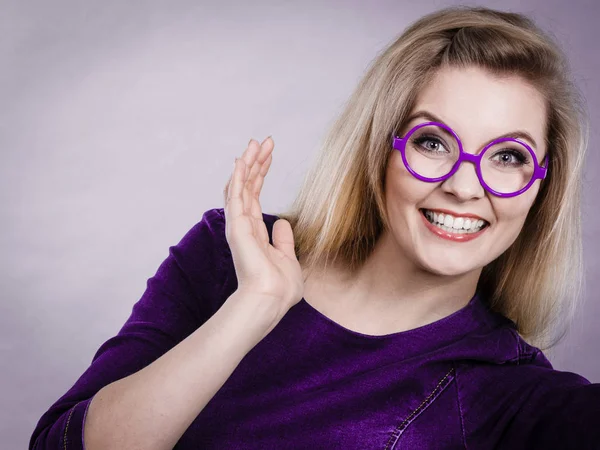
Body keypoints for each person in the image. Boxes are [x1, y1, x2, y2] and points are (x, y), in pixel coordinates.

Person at [29, 5, 599, 450]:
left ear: (542, 186)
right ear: (380, 149)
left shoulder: (512, 389)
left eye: (509, 157)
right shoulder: (228, 253)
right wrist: (255, 305)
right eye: (432, 142)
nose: (465, 186)